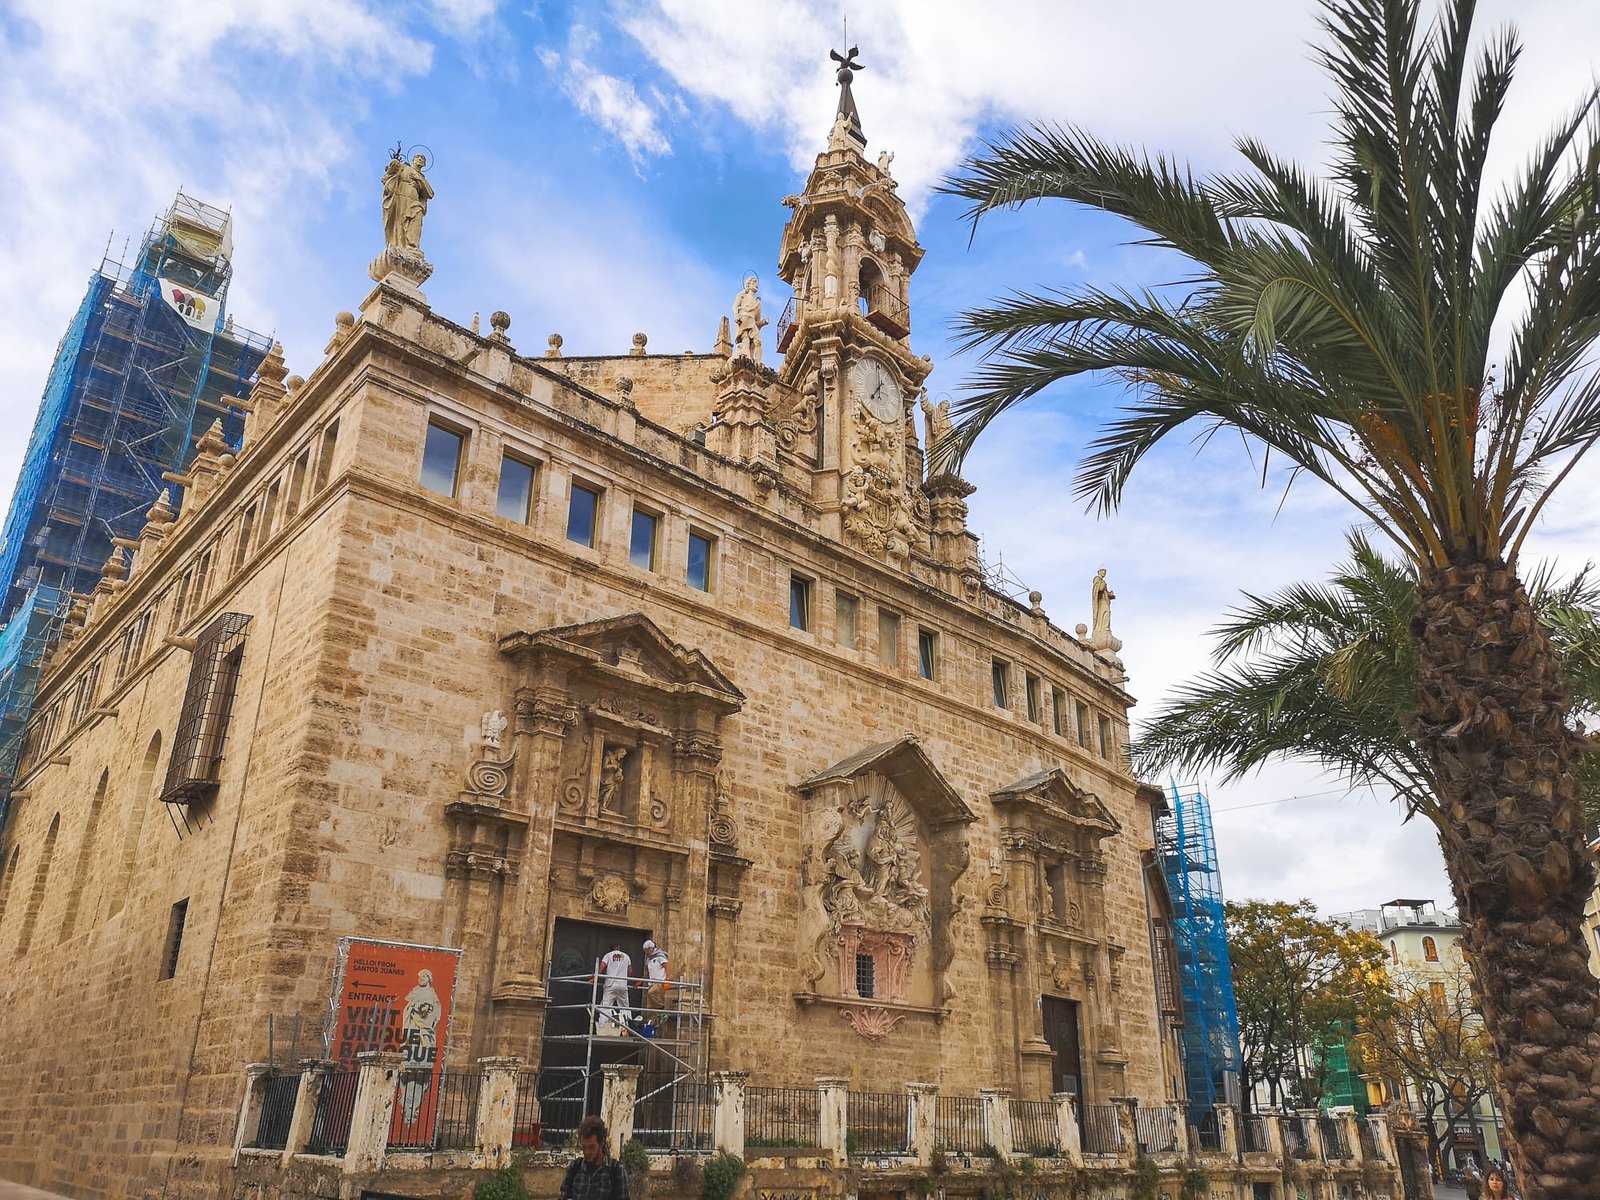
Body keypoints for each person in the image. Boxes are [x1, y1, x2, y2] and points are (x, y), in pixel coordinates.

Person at [559, 1115, 630, 1200]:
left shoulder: (616, 1170)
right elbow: (563, 1195)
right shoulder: (576, 1167)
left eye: (591, 1147)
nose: (586, 1152)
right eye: (584, 1147)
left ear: (602, 1143)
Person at [595, 943, 632, 1032]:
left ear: (610, 949)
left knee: (605, 1007)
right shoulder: (626, 956)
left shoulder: (608, 955)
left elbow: (602, 966)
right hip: (622, 985)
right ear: (618, 947)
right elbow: (630, 971)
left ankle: (602, 1028)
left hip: (610, 984)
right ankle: (627, 1029)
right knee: (625, 1007)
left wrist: (596, 976)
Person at [642, 938, 670, 1017]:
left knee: (651, 993)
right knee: (650, 1006)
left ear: (651, 948)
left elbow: (666, 966)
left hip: (659, 981)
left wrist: (667, 979)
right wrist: (640, 981)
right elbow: (647, 972)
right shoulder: (649, 958)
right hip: (651, 982)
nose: (646, 952)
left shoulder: (660, 956)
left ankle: (661, 1009)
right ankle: (655, 1024)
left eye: (647, 950)